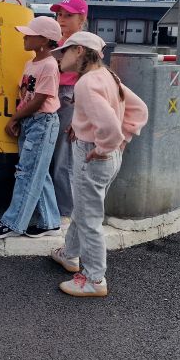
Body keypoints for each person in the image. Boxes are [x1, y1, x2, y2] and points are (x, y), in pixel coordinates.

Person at [50, 31, 148, 297]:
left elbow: (108, 126)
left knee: (89, 217)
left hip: (92, 155)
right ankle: (70, 255)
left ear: (80, 51)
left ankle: (95, 278)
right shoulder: (109, 76)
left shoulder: (86, 84)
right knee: (83, 209)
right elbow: (139, 109)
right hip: (108, 157)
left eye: (64, 51)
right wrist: (121, 140)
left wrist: (106, 145)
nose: (60, 57)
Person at [0, 17, 63, 239]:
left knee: (27, 174)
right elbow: (24, 93)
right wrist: (21, 118)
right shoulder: (32, 63)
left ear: (44, 40)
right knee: (39, 172)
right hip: (31, 121)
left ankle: (13, 223)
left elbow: (39, 99)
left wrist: (14, 118)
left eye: (30, 34)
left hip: (42, 122)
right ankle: (50, 222)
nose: (24, 37)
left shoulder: (48, 65)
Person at [49, 0, 89, 230]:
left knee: (64, 155)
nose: (61, 19)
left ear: (82, 18)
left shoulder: (83, 43)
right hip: (56, 95)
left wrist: (79, 115)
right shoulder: (59, 40)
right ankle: (55, 204)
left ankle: (66, 209)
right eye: (59, 15)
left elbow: (89, 77)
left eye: (68, 15)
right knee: (54, 153)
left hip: (70, 97)